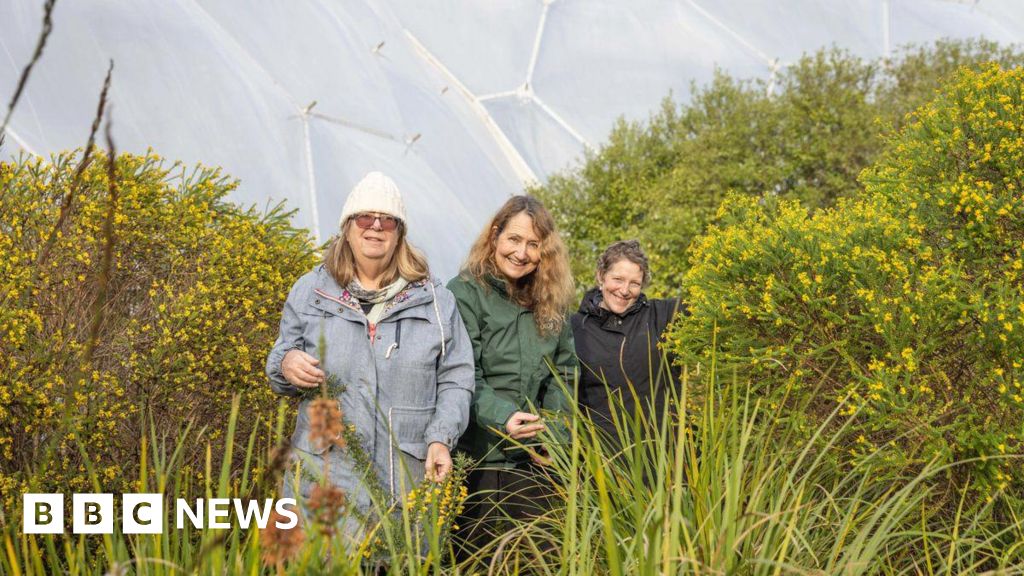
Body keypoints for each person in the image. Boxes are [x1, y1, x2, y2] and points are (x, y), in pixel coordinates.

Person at [265, 171, 475, 546]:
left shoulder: (435, 301)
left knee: (399, 560)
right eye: (365, 217)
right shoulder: (310, 290)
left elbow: (457, 377)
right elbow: (280, 358)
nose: (375, 226)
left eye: (387, 220)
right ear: (347, 227)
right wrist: (286, 363)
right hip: (325, 473)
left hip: (406, 478)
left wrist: (441, 438)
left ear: (399, 233)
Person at [447, 195, 576, 557]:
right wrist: (502, 417)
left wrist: (554, 435)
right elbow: (462, 373)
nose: (521, 253)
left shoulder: (553, 301)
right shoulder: (464, 293)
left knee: (540, 559)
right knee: (473, 560)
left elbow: (564, 374)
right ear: (495, 236)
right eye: (514, 240)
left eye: (533, 244)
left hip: (535, 461)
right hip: (477, 458)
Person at [572, 240, 684, 440]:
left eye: (634, 284)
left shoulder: (664, 315)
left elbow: (712, 304)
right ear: (601, 276)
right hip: (602, 459)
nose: (624, 290)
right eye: (618, 279)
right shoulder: (574, 328)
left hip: (664, 456)